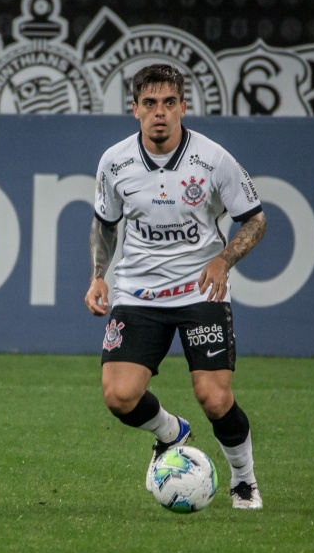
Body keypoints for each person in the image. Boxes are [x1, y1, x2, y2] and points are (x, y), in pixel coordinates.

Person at [83, 64, 266, 510]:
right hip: (138, 294)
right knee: (118, 396)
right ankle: (171, 433)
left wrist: (224, 259)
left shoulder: (213, 159)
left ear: (184, 106)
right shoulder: (115, 161)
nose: (159, 113)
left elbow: (255, 219)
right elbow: (105, 225)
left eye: (169, 103)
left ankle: (243, 479)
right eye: (149, 104)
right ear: (135, 110)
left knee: (215, 397)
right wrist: (97, 275)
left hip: (199, 292)